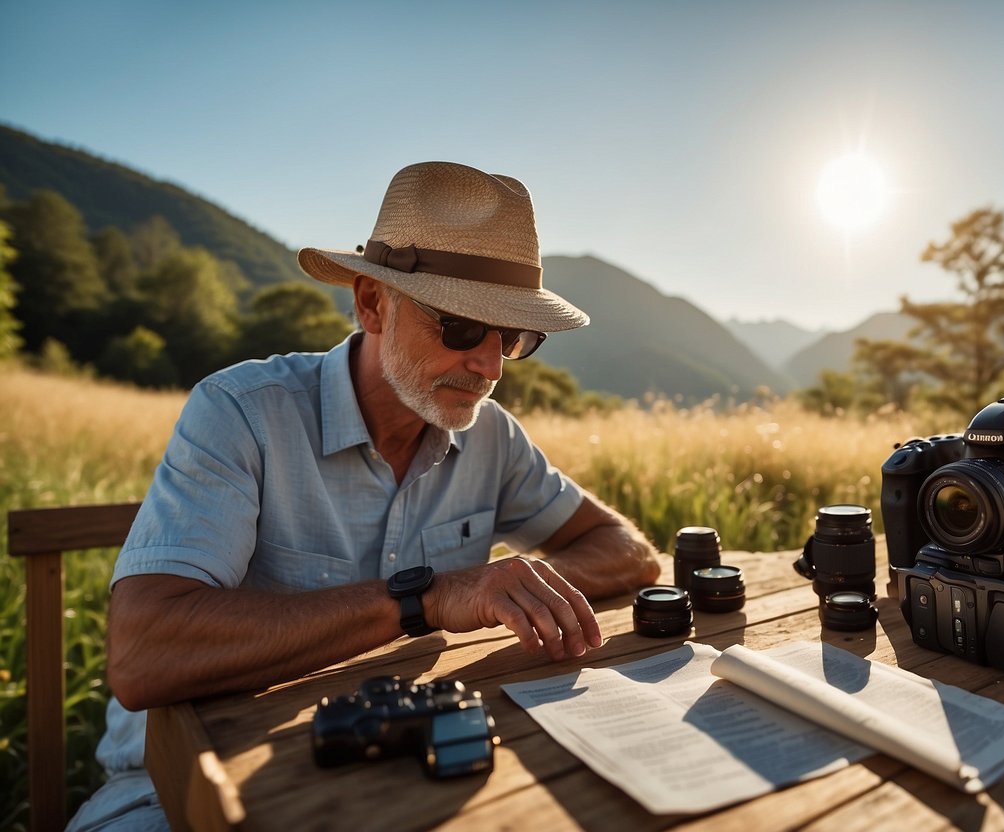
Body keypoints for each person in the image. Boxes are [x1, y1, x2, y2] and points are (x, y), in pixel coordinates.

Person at [68, 161, 661, 831]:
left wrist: (510, 586)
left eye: (514, 337)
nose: (490, 366)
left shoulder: (493, 437)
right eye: (462, 326)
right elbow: (145, 655)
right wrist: (430, 597)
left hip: (396, 764)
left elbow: (629, 554)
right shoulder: (242, 413)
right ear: (372, 303)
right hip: (179, 787)